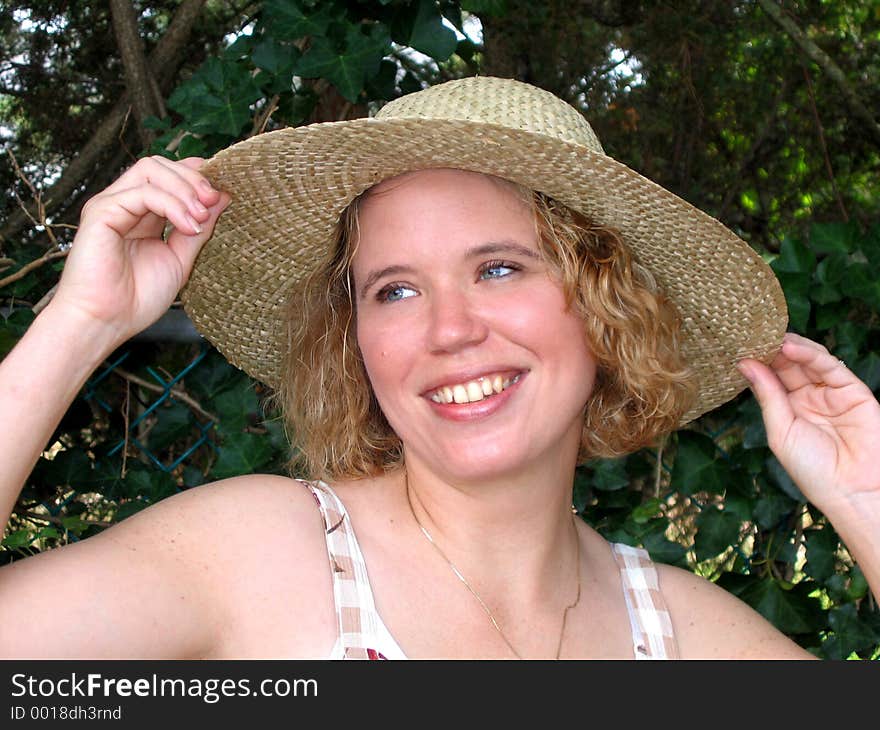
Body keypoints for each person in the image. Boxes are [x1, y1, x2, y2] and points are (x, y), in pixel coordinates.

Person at [0, 76, 877, 659]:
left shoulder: (686, 641)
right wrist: (80, 324)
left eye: (498, 268)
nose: (448, 331)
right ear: (356, 341)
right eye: (394, 291)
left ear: (604, 304)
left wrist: (869, 503)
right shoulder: (261, 560)